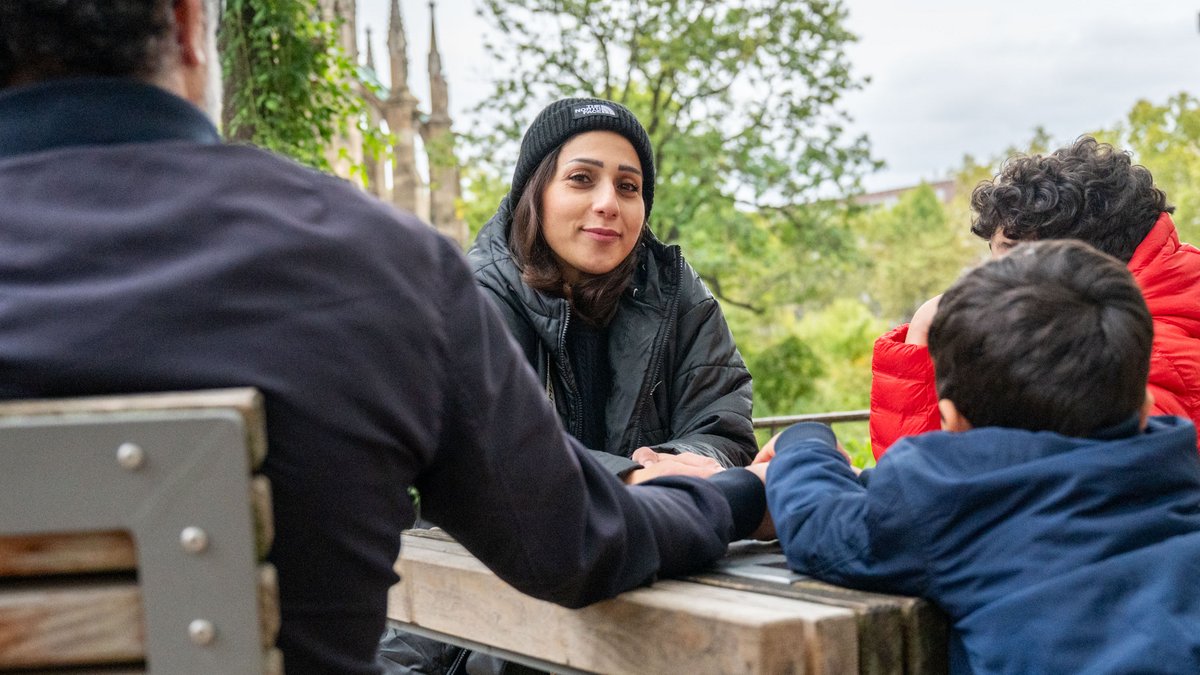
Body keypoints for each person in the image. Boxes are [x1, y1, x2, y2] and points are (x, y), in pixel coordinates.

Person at [0, 2, 768, 673]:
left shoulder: (662, 291)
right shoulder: (380, 266)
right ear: (187, 23)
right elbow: (575, 540)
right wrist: (740, 494)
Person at [752, 240, 1200, 674]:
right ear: (1145, 407)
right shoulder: (1177, 478)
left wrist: (805, 445)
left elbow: (820, 526)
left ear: (950, 421)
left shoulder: (952, 499)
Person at [467, 97, 757, 480]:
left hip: (664, 514)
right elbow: (490, 451)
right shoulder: (476, 300)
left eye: (627, 186)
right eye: (581, 178)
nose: (608, 203)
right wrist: (628, 479)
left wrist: (672, 466)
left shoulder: (679, 296)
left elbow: (723, 430)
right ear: (534, 192)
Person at [869, 137, 1200, 456]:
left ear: (1068, 261)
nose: (988, 278)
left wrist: (920, 339)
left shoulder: (1135, 366)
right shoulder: (1150, 323)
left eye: (1010, 256)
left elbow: (943, 487)